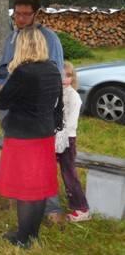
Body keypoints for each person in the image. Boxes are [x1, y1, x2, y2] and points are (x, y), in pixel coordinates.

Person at [0, 26, 63, 249]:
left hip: (23, 136)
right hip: (44, 134)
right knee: (39, 187)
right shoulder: (53, 69)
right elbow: (57, 103)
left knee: (25, 189)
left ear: (23, 46)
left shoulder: (23, 72)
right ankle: (33, 234)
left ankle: (22, 237)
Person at [55, 61, 91, 222]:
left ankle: (81, 208)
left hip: (67, 139)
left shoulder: (73, 96)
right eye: (62, 74)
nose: (64, 78)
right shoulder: (56, 92)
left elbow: (71, 123)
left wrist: (61, 138)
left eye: (68, 75)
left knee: (69, 173)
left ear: (73, 78)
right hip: (53, 137)